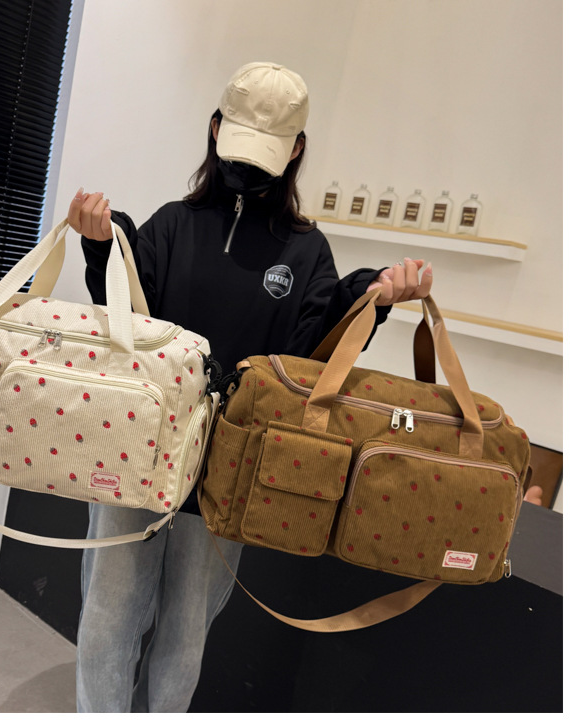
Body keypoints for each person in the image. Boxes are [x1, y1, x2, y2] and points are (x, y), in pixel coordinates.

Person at [67, 61, 433, 713]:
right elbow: (128, 314)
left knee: (186, 632)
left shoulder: (305, 252)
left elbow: (314, 349)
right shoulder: (172, 225)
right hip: (140, 451)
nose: (249, 167)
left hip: (232, 468)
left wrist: (371, 295)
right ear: (215, 129)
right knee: (108, 615)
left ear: (296, 150)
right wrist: (103, 244)